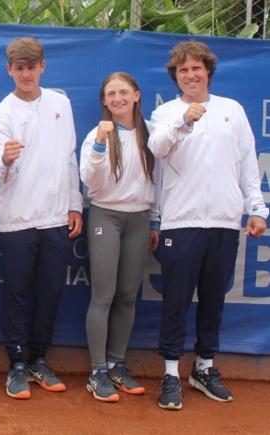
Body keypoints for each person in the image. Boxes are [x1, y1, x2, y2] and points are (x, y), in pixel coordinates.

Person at [149, 40, 267, 411]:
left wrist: (257, 209)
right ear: (176, 76)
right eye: (183, 70)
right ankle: (170, 373)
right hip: (180, 222)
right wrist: (184, 122)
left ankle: (204, 368)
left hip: (224, 222)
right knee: (176, 302)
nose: (190, 75)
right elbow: (157, 150)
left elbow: (247, 165)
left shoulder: (231, 110)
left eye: (196, 68)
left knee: (213, 300)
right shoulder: (166, 113)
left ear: (208, 72)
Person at [0, 37, 83, 400]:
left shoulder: (60, 103)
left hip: (56, 217)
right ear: (10, 70)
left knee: (51, 291)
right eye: (19, 67)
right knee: (17, 293)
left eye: (32, 66)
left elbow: (70, 156)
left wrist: (74, 203)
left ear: (43, 66)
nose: (26, 73)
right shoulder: (1, 114)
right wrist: (6, 160)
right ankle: (16, 364)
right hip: (17, 219)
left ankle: (39, 359)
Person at [80, 72, 158, 402]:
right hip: (104, 215)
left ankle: (116, 363)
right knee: (104, 295)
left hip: (139, 219)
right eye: (111, 94)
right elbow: (90, 182)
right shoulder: (96, 135)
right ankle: (97, 370)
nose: (117, 99)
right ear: (104, 100)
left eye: (123, 92)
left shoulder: (152, 133)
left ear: (137, 95)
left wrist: (154, 221)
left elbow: (161, 181)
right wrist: (100, 143)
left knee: (128, 295)